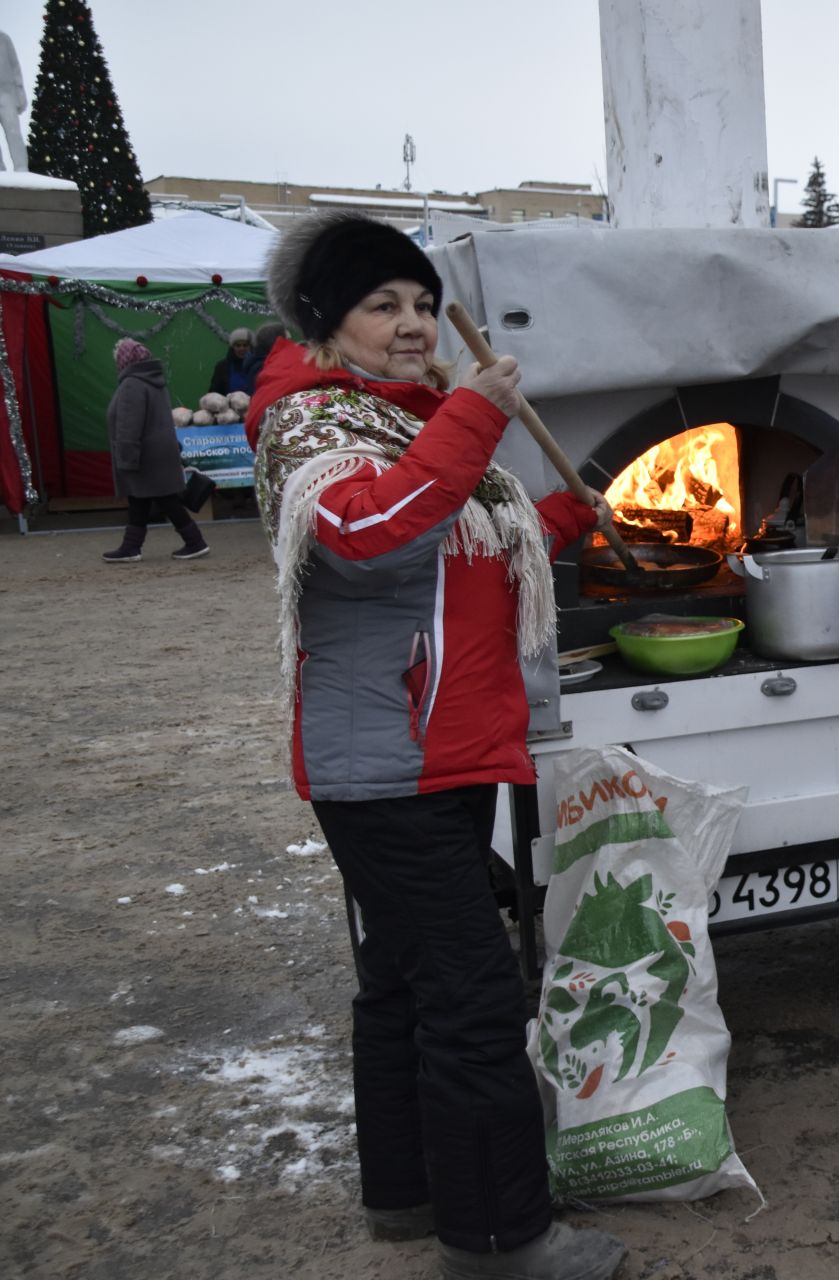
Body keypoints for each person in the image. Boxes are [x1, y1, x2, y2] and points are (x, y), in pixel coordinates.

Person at [247, 212, 626, 1280]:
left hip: (447, 753)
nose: (413, 324)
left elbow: (462, 543)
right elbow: (371, 536)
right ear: (328, 322)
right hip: (386, 767)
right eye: (383, 306)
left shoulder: (405, 420)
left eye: (421, 304)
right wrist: (472, 409)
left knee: (404, 983)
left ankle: (409, 1194)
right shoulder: (311, 422)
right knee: (470, 997)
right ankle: (502, 1242)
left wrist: (562, 515)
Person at [101, 339, 209, 563]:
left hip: (144, 454)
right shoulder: (153, 381)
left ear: (124, 360)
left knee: (164, 499)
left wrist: (127, 456)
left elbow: (129, 424)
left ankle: (194, 542)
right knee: (142, 500)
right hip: (158, 453)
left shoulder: (132, 384)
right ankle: (132, 547)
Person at [207, 327, 255, 397]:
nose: (242, 348)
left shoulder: (258, 366)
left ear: (250, 347)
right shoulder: (222, 367)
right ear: (232, 347)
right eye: (238, 345)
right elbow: (214, 393)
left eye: (245, 345)